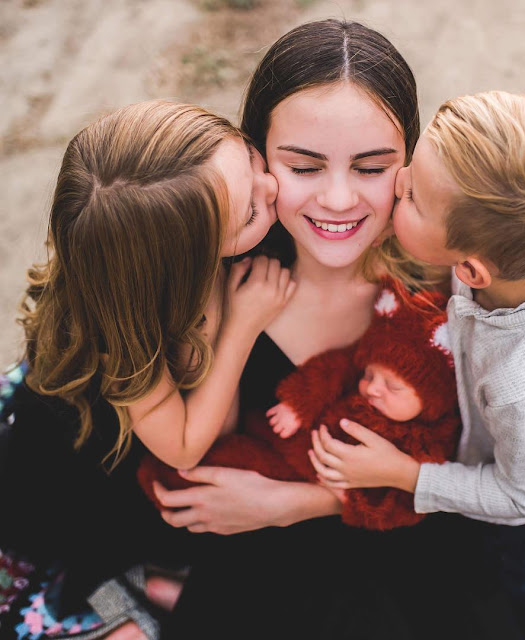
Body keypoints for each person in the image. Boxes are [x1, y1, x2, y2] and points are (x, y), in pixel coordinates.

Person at [153, 18, 489, 640]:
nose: (337, 201)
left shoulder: (444, 284)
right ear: (257, 160)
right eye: (304, 167)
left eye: (371, 168)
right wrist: (231, 328)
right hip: (253, 553)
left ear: (410, 163)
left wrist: (297, 504)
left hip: (406, 536)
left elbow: (477, 469)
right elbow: (206, 461)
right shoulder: (226, 276)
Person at [310, 91, 525, 639]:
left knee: (522, 592)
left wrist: (403, 473)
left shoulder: (522, 384)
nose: (397, 183)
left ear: (470, 270)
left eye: (412, 196)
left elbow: (522, 496)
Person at [0, 99, 288, 626]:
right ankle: (140, 580)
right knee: (157, 524)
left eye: (248, 157)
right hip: (81, 478)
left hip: (147, 437)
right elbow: (186, 446)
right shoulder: (125, 339)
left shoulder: (159, 252)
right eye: (250, 211)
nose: (272, 185)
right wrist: (242, 326)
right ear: (188, 264)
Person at [137, 275, 460, 531]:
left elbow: (439, 493)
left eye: (391, 385)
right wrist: (297, 404)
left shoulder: (427, 303)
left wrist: (315, 501)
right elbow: (330, 374)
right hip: (270, 456)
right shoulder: (241, 284)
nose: (336, 200)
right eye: (371, 376)